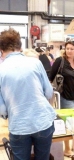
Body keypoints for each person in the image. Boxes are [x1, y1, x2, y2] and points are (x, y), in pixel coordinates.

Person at [0, 28, 56, 160]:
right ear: (20, 46)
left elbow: (2, 109)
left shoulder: (1, 69)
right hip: (42, 120)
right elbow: (49, 92)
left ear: (1, 49)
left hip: (19, 125)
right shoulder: (35, 63)